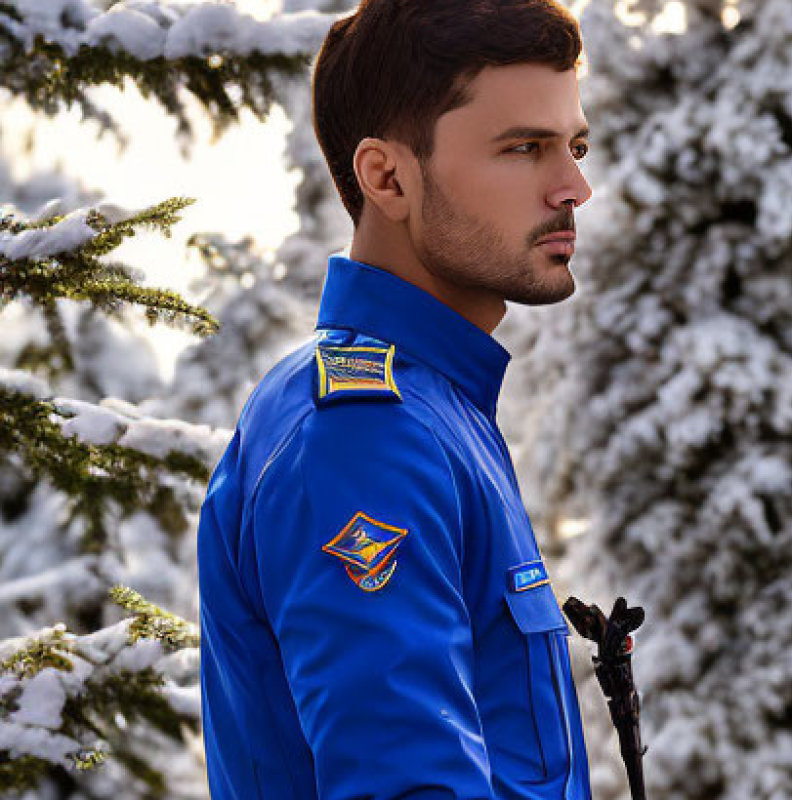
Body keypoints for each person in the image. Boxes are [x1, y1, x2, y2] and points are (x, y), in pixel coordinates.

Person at [196, 0, 594, 797]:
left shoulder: (433, 408)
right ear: (387, 177)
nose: (575, 187)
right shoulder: (364, 438)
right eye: (524, 149)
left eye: (576, 146)